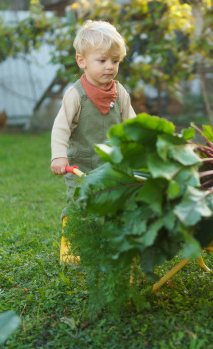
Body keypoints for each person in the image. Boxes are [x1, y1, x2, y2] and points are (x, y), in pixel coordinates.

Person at [50, 20, 136, 263]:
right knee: (79, 204)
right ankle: (71, 246)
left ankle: (111, 242)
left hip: (112, 166)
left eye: (115, 61)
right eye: (102, 60)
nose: (110, 67)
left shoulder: (120, 93)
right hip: (82, 166)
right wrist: (59, 156)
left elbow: (132, 124)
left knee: (114, 204)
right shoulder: (75, 95)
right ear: (82, 61)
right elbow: (61, 128)